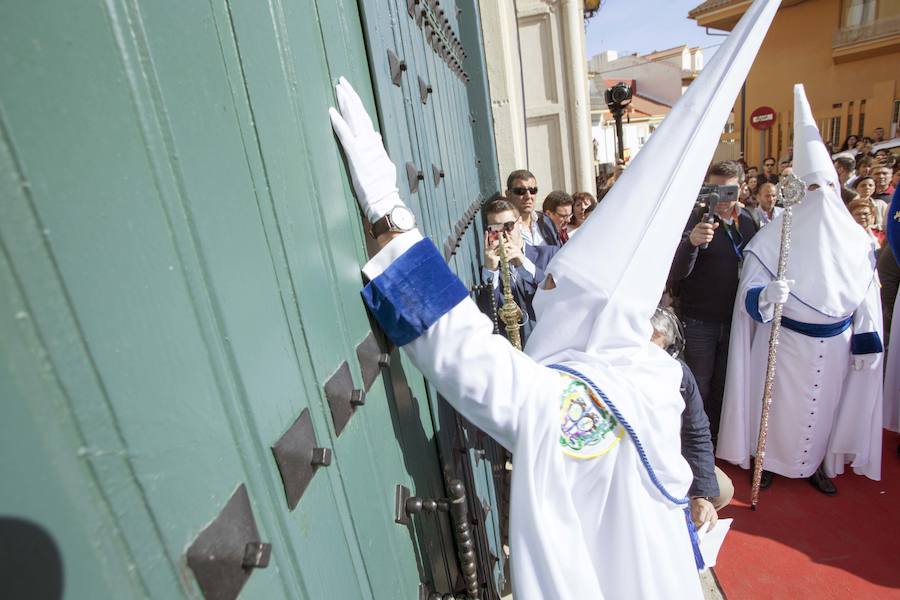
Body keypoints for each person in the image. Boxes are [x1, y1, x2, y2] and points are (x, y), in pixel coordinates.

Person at [327, 3, 776, 595]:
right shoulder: (650, 372)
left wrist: (389, 215)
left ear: (596, 307)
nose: (545, 291)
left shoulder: (583, 407)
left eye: (558, 283)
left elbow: (466, 354)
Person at [717, 84, 883, 496]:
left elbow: (868, 295)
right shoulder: (772, 238)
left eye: (827, 188)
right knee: (779, 408)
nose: (820, 197)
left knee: (824, 408)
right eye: (811, 189)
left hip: (836, 345)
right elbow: (749, 294)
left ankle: (818, 464)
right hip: (786, 341)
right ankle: (769, 460)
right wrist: (765, 296)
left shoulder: (857, 240)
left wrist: (867, 340)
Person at [668, 160, 759, 443]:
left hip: (736, 320)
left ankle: (719, 440)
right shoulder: (693, 219)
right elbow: (676, 272)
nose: (720, 199)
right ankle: (694, 443)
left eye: (728, 191)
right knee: (699, 386)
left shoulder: (749, 221)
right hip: (699, 321)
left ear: (741, 189)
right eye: (713, 191)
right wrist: (691, 244)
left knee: (726, 385)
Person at [650, 307, 734, 529]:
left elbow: (696, 431)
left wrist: (701, 496)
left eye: (657, 351)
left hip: (671, 454)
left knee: (721, 490)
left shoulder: (680, 375)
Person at [477, 197, 557, 343]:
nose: (503, 234)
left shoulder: (549, 254)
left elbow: (558, 296)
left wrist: (524, 264)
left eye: (508, 226)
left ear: (519, 222)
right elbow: (488, 315)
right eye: (496, 229)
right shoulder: (491, 268)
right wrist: (490, 271)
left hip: (550, 342)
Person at [505, 169, 554, 247]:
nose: (528, 196)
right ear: (508, 194)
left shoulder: (546, 221)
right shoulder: (504, 228)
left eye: (532, 190)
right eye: (520, 191)